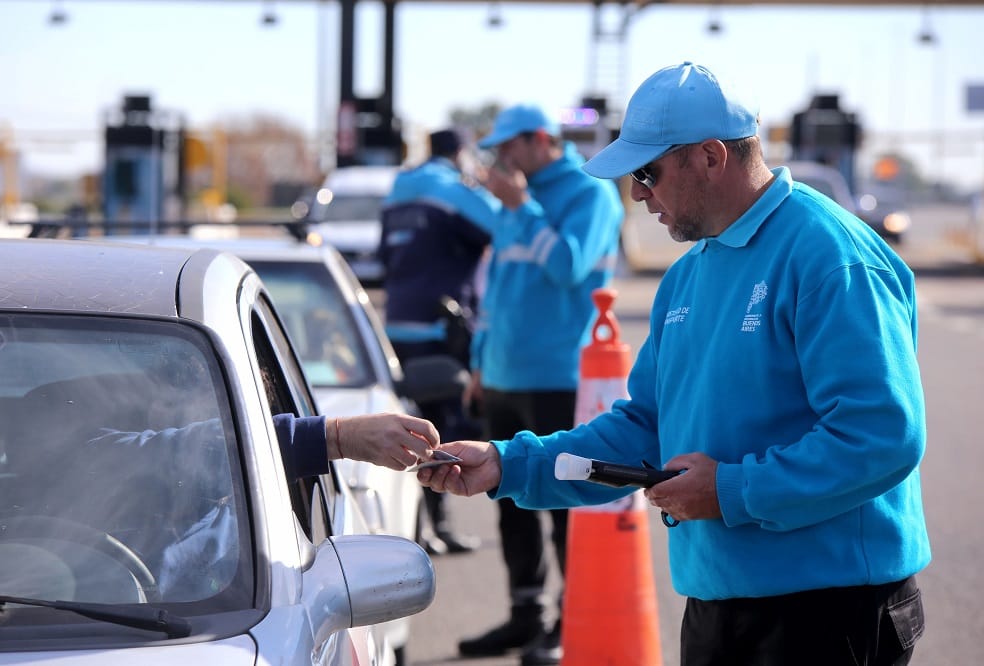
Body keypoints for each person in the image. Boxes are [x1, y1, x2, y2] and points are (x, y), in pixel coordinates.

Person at [418, 62, 929, 666]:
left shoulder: (828, 255)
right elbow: (644, 428)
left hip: (830, 609)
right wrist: (508, 464)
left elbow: (881, 435)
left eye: (647, 171)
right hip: (715, 605)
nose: (637, 193)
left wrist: (732, 489)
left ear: (712, 156)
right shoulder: (688, 275)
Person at [456, 104, 625, 665]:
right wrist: (479, 362)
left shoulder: (588, 193)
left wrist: (523, 206)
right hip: (504, 374)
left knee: (561, 506)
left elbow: (568, 267)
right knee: (508, 502)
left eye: (509, 146)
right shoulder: (515, 200)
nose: (501, 159)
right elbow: (497, 287)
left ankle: (568, 619)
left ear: (538, 140)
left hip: (558, 376)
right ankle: (525, 617)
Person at [88, 411, 440, 599]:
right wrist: (332, 437)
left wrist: (332, 438)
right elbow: (128, 459)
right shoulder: (66, 439)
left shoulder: (231, 512)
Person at [378, 128, 501, 555]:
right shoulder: (451, 189)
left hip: (398, 326)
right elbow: (502, 225)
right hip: (441, 328)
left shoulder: (398, 190)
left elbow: (385, 256)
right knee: (440, 430)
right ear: (460, 154)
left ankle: (422, 525)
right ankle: (436, 526)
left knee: (412, 426)